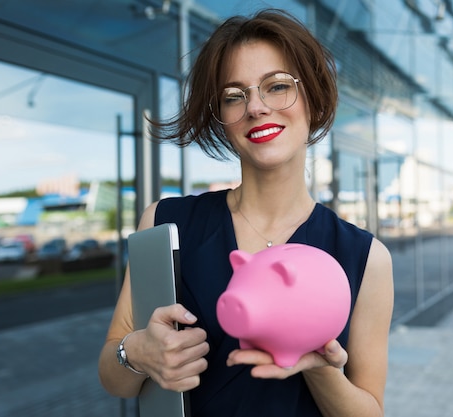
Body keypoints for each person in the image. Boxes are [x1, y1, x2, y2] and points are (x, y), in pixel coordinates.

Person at [98, 8, 394, 417]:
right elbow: (114, 378)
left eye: (276, 87)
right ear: (222, 120)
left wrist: (321, 369)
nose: (256, 107)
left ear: (313, 97)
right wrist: (137, 353)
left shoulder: (365, 257)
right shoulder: (166, 223)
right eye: (234, 96)